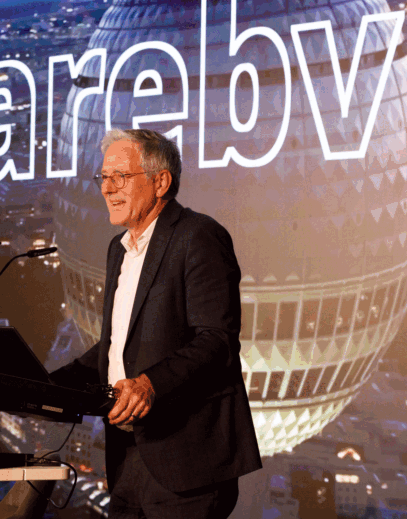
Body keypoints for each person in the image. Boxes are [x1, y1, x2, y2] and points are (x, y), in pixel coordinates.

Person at [53, 128, 262, 519]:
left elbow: (215, 340)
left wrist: (150, 384)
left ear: (160, 181)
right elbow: (115, 347)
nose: (107, 189)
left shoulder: (198, 236)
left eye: (120, 177)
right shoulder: (119, 250)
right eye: (103, 177)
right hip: (127, 458)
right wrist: (38, 385)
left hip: (187, 462)